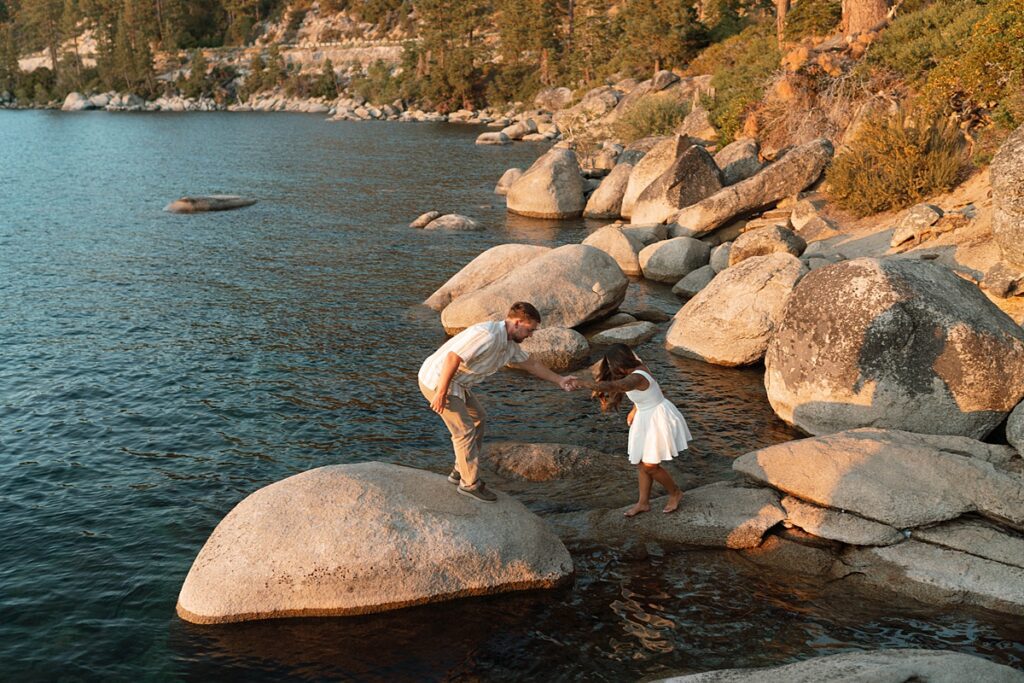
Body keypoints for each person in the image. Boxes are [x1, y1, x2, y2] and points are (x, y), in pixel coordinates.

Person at [418, 301, 576, 503]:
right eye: (530, 329)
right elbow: (452, 358)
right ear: (517, 322)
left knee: (478, 418)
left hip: (458, 384)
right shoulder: (488, 335)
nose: (531, 335)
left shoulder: (509, 344)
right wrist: (441, 393)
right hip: (438, 380)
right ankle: (469, 484)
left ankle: (460, 470)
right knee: (464, 430)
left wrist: (561, 380)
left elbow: (532, 365)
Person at [573, 344, 690, 517]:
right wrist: (636, 407)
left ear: (621, 362)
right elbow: (649, 390)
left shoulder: (636, 376)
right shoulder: (635, 366)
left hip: (657, 417)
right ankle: (643, 503)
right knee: (640, 464)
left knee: (650, 466)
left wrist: (583, 383)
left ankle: (675, 493)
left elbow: (618, 386)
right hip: (644, 415)